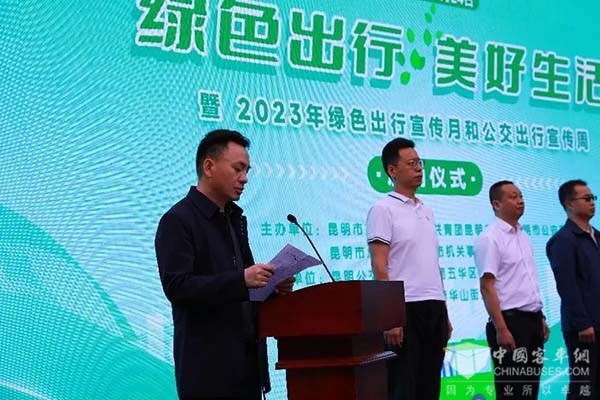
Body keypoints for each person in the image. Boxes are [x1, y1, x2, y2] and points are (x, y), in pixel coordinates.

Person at [155, 129, 294, 399]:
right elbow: (178, 287)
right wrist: (242, 280)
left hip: (247, 366)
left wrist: (272, 287)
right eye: (238, 169)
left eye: (247, 171)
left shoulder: (234, 219)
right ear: (209, 167)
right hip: (208, 371)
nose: (244, 179)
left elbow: (243, 291)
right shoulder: (178, 220)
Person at [366, 138, 452, 400]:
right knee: (404, 388)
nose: (418, 168)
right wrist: (390, 317)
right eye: (411, 163)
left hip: (433, 306)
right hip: (405, 308)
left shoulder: (427, 210)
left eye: (419, 163)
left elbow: (431, 263)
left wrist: (444, 311)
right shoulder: (383, 209)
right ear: (392, 170)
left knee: (430, 388)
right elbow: (379, 264)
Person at [474, 180, 549, 400]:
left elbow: (526, 282)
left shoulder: (523, 235)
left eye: (521, 196)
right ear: (496, 204)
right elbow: (487, 287)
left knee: (529, 390)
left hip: (532, 320)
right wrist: (502, 329)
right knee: (512, 391)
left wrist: (540, 317)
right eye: (513, 197)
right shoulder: (490, 238)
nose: (520, 201)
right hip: (509, 323)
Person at [547, 179, 600, 399]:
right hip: (584, 328)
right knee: (584, 386)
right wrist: (582, 323)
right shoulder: (563, 241)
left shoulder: (596, 236)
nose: (592, 202)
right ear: (569, 203)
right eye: (586, 198)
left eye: (593, 198)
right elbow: (567, 286)